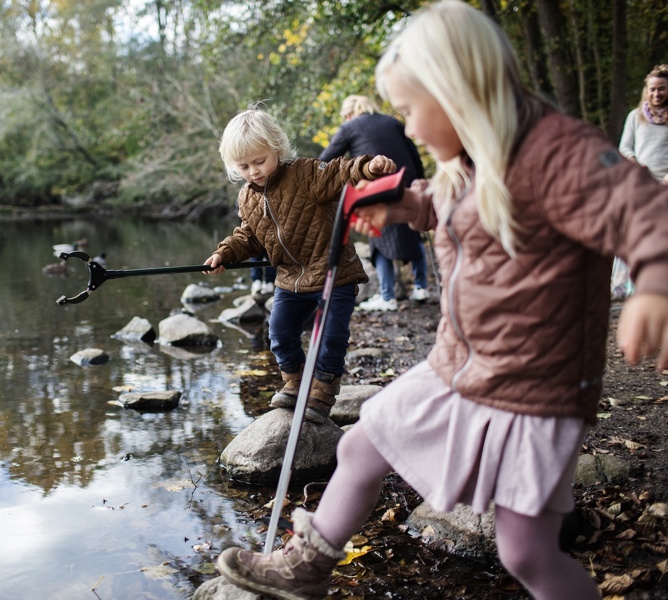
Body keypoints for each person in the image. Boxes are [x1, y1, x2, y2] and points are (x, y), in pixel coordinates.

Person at [215, 3, 668, 600]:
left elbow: (643, 206)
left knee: (525, 551)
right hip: (461, 363)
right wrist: (402, 203)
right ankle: (309, 566)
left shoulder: (558, 152)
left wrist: (655, 285)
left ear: (458, 90)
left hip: (536, 384)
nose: (409, 130)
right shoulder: (467, 159)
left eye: (409, 111)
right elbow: (454, 200)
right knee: (360, 442)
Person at [204, 104, 396, 424]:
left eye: (260, 161)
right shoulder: (247, 198)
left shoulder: (304, 173)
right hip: (290, 278)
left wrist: (369, 167)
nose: (254, 171)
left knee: (331, 336)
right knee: (279, 332)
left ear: (277, 148)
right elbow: (249, 235)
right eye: (244, 166)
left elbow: (339, 171)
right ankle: (294, 382)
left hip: (333, 272)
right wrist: (224, 253)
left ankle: (323, 388)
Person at [319, 94, 430, 311]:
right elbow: (414, 155)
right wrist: (419, 182)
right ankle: (421, 287)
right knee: (413, 232)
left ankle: (387, 297)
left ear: (349, 114)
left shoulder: (350, 126)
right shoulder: (393, 122)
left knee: (378, 240)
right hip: (406, 181)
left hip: (377, 187)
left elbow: (326, 159)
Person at [613, 64, 668, 299]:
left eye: (662, 89)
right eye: (653, 89)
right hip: (641, 181)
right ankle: (631, 284)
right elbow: (624, 147)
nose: (657, 94)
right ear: (647, 90)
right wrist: (635, 164)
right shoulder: (635, 117)